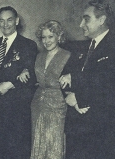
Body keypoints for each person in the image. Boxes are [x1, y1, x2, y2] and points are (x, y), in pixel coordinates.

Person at [59, 0, 115, 159]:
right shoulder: (81, 47)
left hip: (101, 128)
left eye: (86, 19)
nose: (81, 24)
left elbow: (112, 84)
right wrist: (72, 99)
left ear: (102, 20)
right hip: (76, 125)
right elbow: (63, 77)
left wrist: (79, 97)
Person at [0, 6, 38, 159]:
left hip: (17, 108)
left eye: (9, 20)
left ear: (16, 21)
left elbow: (31, 74)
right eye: (1, 21)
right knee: (0, 149)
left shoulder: (28, 45)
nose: (5, 24)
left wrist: (10, 83)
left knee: (17, 149)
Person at [29, 20, 71, 159]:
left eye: (50, 36)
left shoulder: (67, 56)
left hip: (58, 105)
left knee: (54, 145)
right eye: (43, 37)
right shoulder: (39, 56)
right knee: (38, 143)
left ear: (59, 37)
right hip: (37, 104)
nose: (46, 41)